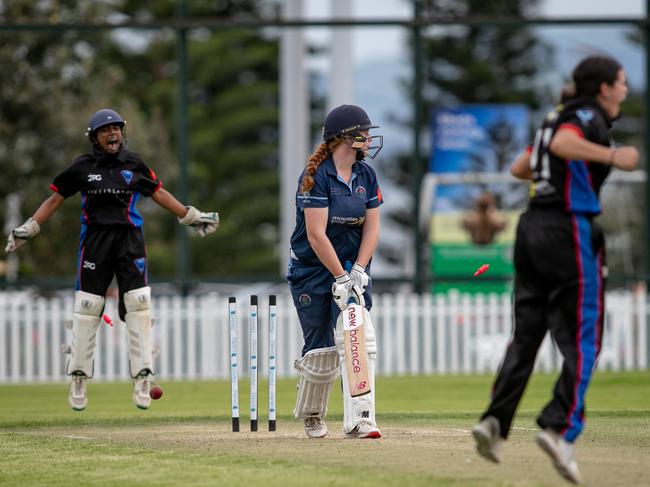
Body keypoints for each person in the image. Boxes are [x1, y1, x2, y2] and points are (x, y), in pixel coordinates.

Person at [472, 55, 638, 485]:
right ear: (603, 87)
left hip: (531, 228)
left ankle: (494, 421)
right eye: (621, 82)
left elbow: (519, 167)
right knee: (586, 335)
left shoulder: (553, 117)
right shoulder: (586, 116)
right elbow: (564, 145)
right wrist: (612, 155)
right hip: (569, 227)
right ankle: (561, 429)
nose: (625, 89)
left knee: (527, 335)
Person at [4, 108, 219, 411]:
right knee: (87, 308)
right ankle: (78, 377)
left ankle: (142, 378)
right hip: (95, 241)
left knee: (138, 305)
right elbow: (55, 198)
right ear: (94, 138)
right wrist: (31, 227)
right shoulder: (82, 167)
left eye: (116, 128)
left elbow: (157, 192)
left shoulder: (133, 163)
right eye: (105, 130)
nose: (112, 134)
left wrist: (190, 216)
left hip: (130, 240)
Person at [287, 104, 383, 439]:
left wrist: (357, 270)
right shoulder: (315, 175)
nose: (369, 138)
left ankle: (361, 417)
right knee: (321, 348)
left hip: (351, 269)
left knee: (357, 336)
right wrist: (338, 277)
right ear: (344, 137)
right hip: (313, 270)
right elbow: (316, 234)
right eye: (364, 132)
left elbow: (372, 228)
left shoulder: (366, 175)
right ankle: (313, 413)